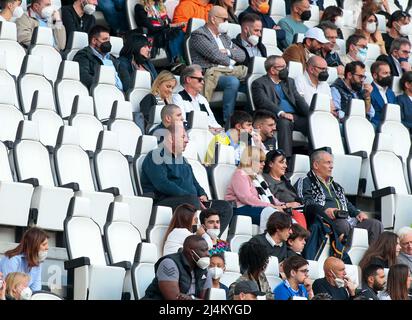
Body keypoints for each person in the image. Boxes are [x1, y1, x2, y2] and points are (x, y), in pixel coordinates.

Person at [141, 123, 233, 233]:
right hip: (166, 201)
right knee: (191, 201)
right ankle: (197, 241)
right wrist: (192, 196)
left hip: (191, 200)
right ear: (170, 138)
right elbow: (162, 184)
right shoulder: (155, 156)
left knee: (224, 207)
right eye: (183, 137)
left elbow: (194, 182)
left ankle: (211, 241)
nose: (187, 140)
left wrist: (202, 194)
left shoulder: (183, 160)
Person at [295, 149, 383, 244]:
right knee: (342, 224)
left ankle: (373, 257)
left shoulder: (336, 186)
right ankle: (344, 254)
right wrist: (325, 210)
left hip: (347, 221)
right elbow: (305, 202)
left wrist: (357, 213)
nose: (332, 166)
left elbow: (347, 204)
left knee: (375, 224)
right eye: (328, 163)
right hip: (325, 222)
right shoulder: (305, 182)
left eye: (332, 163)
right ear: (316, 165)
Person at [189, 6, 246, 126]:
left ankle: (245, 125)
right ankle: (228, 122)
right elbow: (215, 55)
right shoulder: (199, 35)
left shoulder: (223, 36)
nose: (227, 23)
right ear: (213, 19)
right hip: (210, 73)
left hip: (227, 71)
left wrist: (228, 51)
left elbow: (242, 55)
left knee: (249, 79)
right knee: (233, 81)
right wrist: (231, 59)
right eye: (224, 19)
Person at [251, 55, 309, 159]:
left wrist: (312, 115)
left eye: (285, 66)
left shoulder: (289, 81)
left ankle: (317, 155)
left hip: (294, 116)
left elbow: (299, 100)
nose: (285, 69)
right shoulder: (259, 83)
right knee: (284, 122)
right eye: (282, 67)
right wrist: (281, 113)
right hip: (276, 117)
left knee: (312, 123)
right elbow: (264, 102)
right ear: (272, 70)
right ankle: (285, 160)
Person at [225, 146, 284, 226]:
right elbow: (247, 198)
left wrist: (283, 205)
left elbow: (270, 197)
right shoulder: (240, 174)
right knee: (275, 216)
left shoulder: (258, 177)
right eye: (260, 161)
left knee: (293, 214)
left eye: (264, 161)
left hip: (255, 207)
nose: (263, 164)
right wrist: (271, 206)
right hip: (240, 208)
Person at [143, 235, 212, 300]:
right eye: (203, 250)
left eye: (207, 250)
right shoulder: (169, 263)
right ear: (192, 252)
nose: (208, 254)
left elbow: (209, 298)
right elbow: (173, 298)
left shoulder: (203, 268)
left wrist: (191, 298)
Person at [262, 149, 307, 228]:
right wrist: (287, 205)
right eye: (281, 162)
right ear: (270, 164)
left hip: (298, 208)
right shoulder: (265, 180)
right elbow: (271, 200)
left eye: (285, 163)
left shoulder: (285, 180)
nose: (285, 166)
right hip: (284, 211)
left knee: (316, 219)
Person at [172, 64, 222, 133]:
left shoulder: (202, 99)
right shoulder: (178, 98)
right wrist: (207, 129)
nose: (203, 82)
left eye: (203, 80)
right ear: (188, 79)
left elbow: (213, 121)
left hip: (210, 134)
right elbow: (182, 123)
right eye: (200, 79)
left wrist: (219, 129)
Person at [73, 25, 124, 91]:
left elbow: (124, 78)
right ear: (94, 40)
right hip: (102, 93)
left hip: (121, 94)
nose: (108, 43)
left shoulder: (113, 59)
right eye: (104, 39)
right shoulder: (83, 56)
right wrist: (103, 89)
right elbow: (84, 76)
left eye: (108, 40)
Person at [0, 227, 48, 292]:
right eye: (44, 244)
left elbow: (36, 290)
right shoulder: (12, 260)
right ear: (33, 245)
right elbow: (7, 289)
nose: (47, 248)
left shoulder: (37, 262)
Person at [370, 60, 396, 129]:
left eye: (389, 73)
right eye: (385, 73)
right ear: (375, 75)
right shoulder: (368, 91)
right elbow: (369, 115)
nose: (389, 76)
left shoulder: (391, 93)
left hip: (392, 127)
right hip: (376, 127)